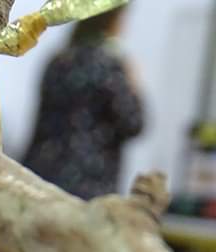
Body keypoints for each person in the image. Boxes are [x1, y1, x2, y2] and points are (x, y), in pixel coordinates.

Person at [23, 9, 144, 201]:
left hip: (38, 178)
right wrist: (134, 83)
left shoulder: (58, 60)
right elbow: (133, 123)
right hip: (88, 188)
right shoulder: (109, 65)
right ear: (111, 19)